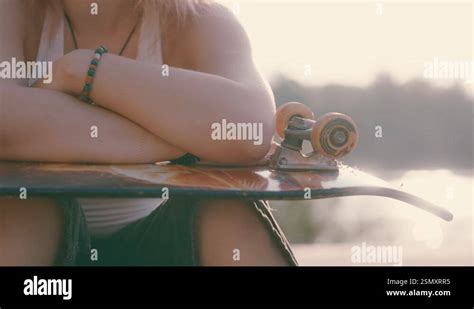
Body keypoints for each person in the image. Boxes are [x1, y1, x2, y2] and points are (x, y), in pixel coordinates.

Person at [0, 0, 297, 266]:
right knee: (25, 203)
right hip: (43, 271)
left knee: (228, 212)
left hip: (159, 245)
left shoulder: (195, 18)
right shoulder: (14, 11)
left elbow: (250, 129)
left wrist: (82, 69)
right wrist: (181, 138)